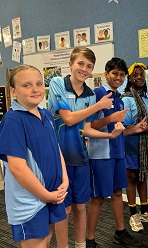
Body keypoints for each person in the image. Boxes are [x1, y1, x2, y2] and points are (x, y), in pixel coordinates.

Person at [48, 47, 114, 248]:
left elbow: (84, 128)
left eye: (89, 66)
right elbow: (68, 119)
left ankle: (80, 245)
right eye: (81, 63)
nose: (84, 69)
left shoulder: (91, 95)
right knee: (64, 209)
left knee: (80, 206)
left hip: (81, 158)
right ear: (70, 63)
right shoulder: (57, 83)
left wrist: (109, 135)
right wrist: (99, 106)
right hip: (59, 158)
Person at [0, 64, 68, 247]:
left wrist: (65, 179)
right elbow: (17, 168)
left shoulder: (45, 115)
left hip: (51, 194)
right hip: (30, 202)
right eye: (26, 85)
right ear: (13, 91)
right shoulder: (13, 120)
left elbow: (56, 149)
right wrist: (46, 195)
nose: (35, 89)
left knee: (46, 240)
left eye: (38, 83)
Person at [85, 58, 143, 248]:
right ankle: (90, 239)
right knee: (98, 198)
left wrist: (134, 129)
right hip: (101, 154)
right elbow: (90, 126)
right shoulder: (97, 94)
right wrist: (111, 117)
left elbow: (118, 130)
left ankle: (120, 231)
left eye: (121, 74)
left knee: (118, 193)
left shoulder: (118, 98)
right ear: (106, 74)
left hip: (118, 152)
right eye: (114, 73)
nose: (118, 77)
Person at [121, 62, 148, 232]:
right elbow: (126, 128)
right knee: (131, 178)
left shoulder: (145, 99)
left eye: (142, 75)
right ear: (130, 78)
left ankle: (145, 212)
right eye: (136, 75)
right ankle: (133, 214)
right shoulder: (126, 99)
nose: (139, 77)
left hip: (146, 147)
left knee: (142, 177)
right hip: (131, 146)